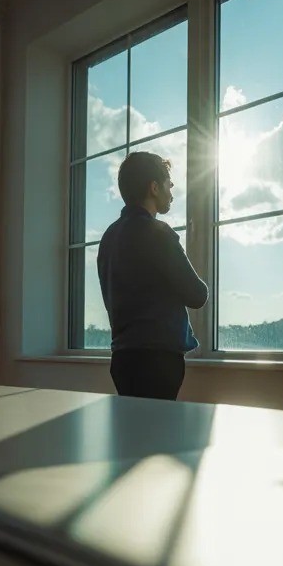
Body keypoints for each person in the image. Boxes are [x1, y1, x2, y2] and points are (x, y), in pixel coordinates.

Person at [98, 151, 207, 400]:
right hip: (158, 360)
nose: (172, 192)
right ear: (154, 188)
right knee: (158, 434)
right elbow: (197, 295)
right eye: (169, 184)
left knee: (134, 434)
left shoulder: (109, 237)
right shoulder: (158, 233)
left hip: (122, 358)